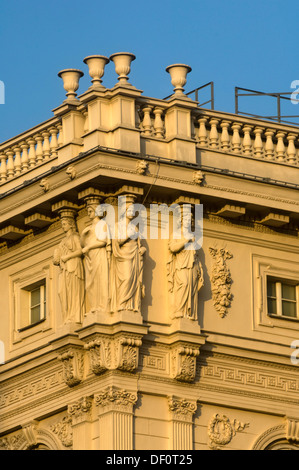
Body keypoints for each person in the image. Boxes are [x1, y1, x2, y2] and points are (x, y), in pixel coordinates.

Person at [167, 212, 203, 321]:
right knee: (184, 284)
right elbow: (173, 248)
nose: (188, 222)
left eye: (189, 220)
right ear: (181, 221)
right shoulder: (176, 234)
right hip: (181, 265)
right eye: (186, 219)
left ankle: (188, 312)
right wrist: (186, 240)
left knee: (191, 288)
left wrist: (199, 271)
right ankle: (179, 310)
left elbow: (195, 255)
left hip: (192, 266)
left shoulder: (193, 236)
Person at [111, 203, 146, 313]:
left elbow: (139, 244)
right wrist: (128, 235)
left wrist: (142, 249)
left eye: (132, 210)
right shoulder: (117, 226)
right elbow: (117, 241)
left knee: (132, 280)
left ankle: (130, 305)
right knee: (126, 278)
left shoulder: (134, 227)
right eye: (129, 209)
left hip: (134, 255)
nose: (131, 212)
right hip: (123, 256)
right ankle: (122, 303)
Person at [80, 203, 111, 313]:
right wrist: (83, 236)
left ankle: (101, 306)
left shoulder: (102, 224)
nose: (88, 214)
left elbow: (103, 241)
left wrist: (89, 247)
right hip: (89, 257)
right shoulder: (89, 228)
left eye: (90, 211)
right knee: (90, 283)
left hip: (98, 254)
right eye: (88, 211)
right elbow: (82, 245)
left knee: (100, 279)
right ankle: (94, 306)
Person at [53, 216, 85, 324]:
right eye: (62, 224)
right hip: (65, 269)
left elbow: (80, 251)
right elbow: (58, 257)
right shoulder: (62, 241)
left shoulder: (75, 237)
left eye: (65, 224)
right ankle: (67, 316)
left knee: (74, 291)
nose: (63, 226)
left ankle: (75, 317)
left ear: (71, 224)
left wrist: (67, 257)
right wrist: (57, 258)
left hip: (74, 266)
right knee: (62, 292)